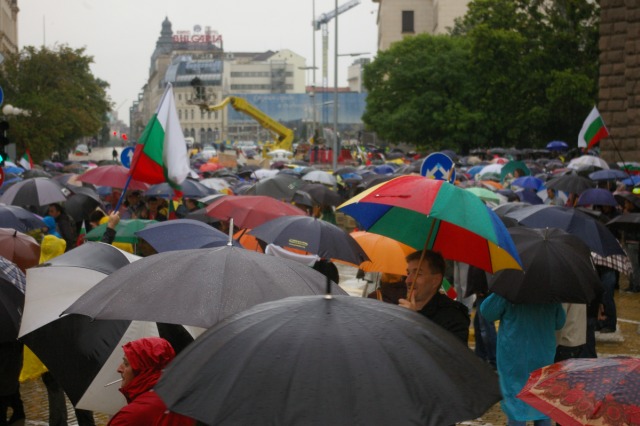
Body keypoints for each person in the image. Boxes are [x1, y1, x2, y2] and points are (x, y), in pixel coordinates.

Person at [480, 293, 566, 426]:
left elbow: (487, 312)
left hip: (513, 358)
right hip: (542, 355)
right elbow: (560, 322)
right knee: (542, 402)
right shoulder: (549, 291)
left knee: (516, 402)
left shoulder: (509, 288)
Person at [108, 337, 194, 425]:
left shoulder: (129, 417)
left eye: (126, 364)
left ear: (143, 371)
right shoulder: (185, 401)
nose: (119, 369)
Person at [399, 250, 470, 346]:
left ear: (435, 281)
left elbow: (450, 356)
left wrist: (415, 321)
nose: (408, 280)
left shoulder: (453, 316)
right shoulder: (400, 308)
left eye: (418, 274)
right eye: (408, 273)